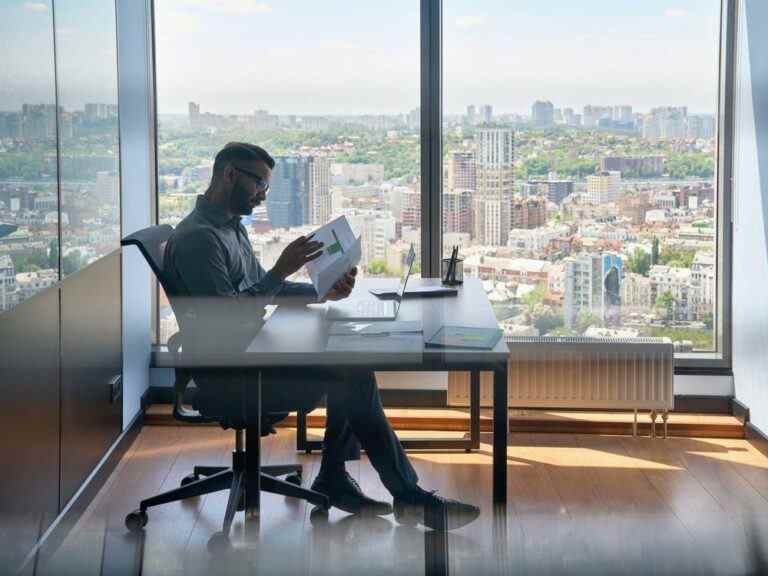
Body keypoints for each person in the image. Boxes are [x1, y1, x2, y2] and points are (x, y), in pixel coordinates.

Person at [163, 142, 480, 531]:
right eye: (259, 183)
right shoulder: (200, 240)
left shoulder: (229, 227)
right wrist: (281, 270)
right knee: (350, 374)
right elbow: (228, 318)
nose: (264, 194)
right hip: (230, 372)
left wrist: (318, 293)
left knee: (349, 365)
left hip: (250, 349)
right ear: (229, 174)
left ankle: (342, 480)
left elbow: (259, 290)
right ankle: (405, 495)